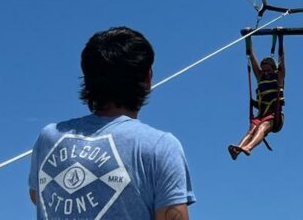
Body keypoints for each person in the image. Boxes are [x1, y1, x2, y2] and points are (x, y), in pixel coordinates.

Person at [28, 27, 196, 220]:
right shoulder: (161, 147)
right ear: (148, 78)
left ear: (88, 81)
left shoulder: (49, 137)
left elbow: (37, 195)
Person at [228, 34, 285, 159]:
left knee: (262, 127)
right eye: (264, 70)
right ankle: (237, 150)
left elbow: (282, 60)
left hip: (275, 116)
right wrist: (248, 40)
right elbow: (252, 58)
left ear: (274, 69)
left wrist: (280, 39)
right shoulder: (260, 78)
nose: (266, 73)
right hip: (261, 115)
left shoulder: (279, 78)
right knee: (252, 129)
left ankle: (248, 147)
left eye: (268, 70)